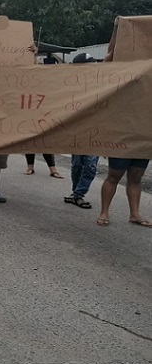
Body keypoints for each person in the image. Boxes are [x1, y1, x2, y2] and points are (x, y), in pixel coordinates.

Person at [97, 44, 151, 227]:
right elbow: (103, 75)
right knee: (114, 175)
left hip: (143, 137)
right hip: (121, 136)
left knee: (136, 177)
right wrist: (112, 51)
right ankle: (104, 212)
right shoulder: (119, 82)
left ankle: (135, 214)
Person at [65, 53, 100, 210]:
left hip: (96, 131)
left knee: (90, 165)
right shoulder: (72, 86)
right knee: (77, 165)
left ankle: (78, 194)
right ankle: (75, 193)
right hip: (77, 131)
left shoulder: (101, 84)